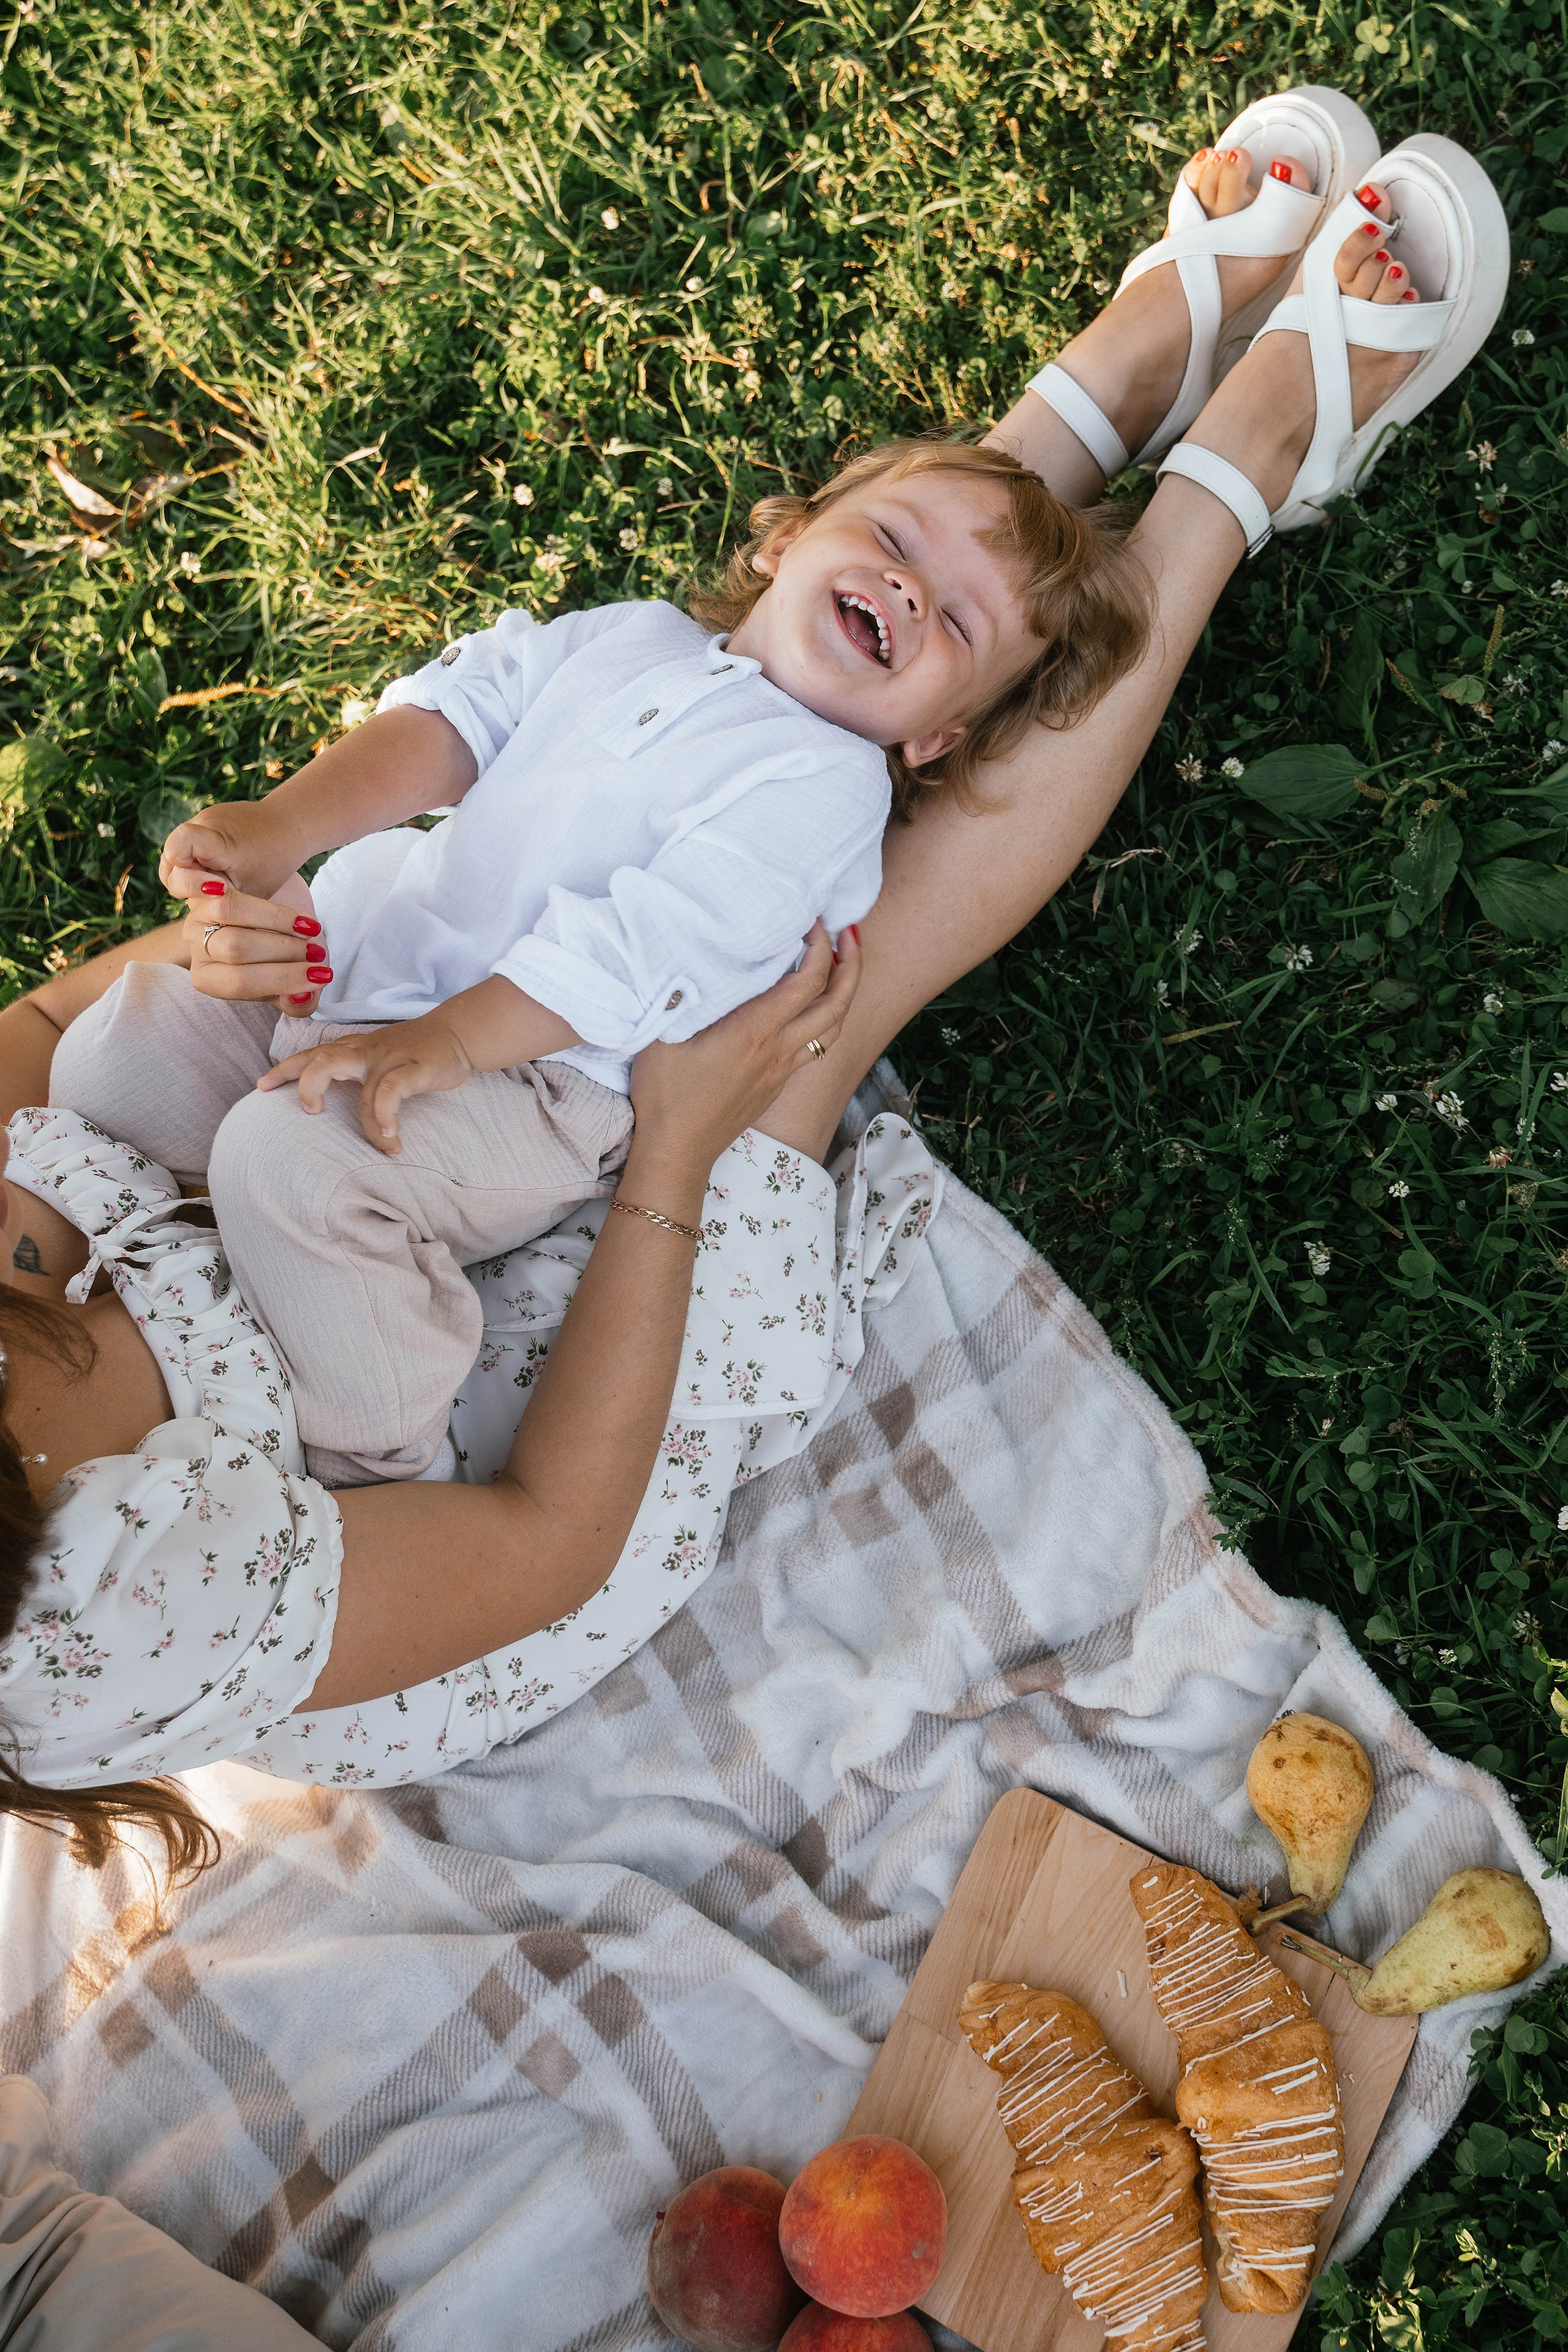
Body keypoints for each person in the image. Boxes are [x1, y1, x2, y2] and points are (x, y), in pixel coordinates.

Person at [0, 104, 1506, 1877]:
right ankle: (1236, 471)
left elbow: (39, 1038)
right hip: (469, 1459)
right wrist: (675, 1150)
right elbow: (544, 1535)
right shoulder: (100, 1620)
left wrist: (243, 893)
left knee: (804, 675)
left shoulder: (670, 641)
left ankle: (1117, 382)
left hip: (351, 1087)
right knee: (802, 978)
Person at [51, 443, 1148, 1488]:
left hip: (537, 1080)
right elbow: (459, 718)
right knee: (122, 1046)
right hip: (375, 970)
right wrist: (280, 826)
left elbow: (635, 950)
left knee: (292, 1160)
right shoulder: (638, 636)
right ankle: (172, 1247)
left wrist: (443, 1043)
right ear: (788, 538)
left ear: (938, 740)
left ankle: (378, 1448)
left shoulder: (828, 786)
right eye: (894, 542)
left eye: (955, 620)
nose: (908, 592)